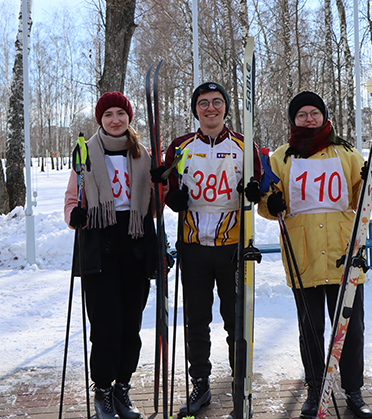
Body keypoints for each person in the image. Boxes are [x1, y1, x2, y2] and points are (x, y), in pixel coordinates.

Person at [257, 91, 372, 419]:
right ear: (293, 120)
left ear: (324, 117)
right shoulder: (281, 158)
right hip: (304, 258)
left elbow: (366, 200)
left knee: (351, 331)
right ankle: (315, 390)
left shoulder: (346, 152)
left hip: (345, 257)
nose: (309, 119)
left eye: (315, 113)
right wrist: (270, 204)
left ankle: (353, 390)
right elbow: (268, 203)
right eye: (302, 115)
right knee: (311, 332)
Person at [157, 82, 261, 417]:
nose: (211, 108)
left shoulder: (245, 146)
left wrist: (255, 190)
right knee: (196, 320)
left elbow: (263, 184)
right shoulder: (180, 147)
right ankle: (200, 383)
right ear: (195, 109)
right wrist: (172, 198)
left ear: (226, 108)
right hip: (193, 248)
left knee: (235, 321)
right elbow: (167, 184)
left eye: (217, 102)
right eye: (204, 103)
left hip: (231, 248)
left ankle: (238, 384)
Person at [64, 91, 157, 419]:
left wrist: (163, 186)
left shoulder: (144, 154)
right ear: (99, 120)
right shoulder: (85, 153)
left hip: (134, 243)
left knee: (130, 325)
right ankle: (102, 389)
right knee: (106, 325)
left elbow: (152, 206)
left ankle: (122, 388)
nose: (115, 119)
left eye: (120, 113)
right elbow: (71, 200)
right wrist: (75, 214)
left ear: (129, 117)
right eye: (108, 115)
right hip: (99, 244)